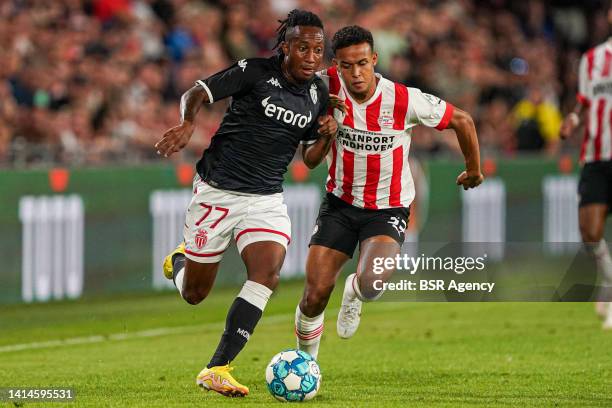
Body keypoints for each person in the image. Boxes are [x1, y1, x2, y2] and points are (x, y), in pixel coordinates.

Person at [154, 9, 337, 397]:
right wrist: (188, 123)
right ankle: (182, 262)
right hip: (218, 191)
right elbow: (196, 93)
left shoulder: (319, 93)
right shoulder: (254, 72)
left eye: (318, 50)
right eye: (302, 47)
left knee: (267, 274)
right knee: (194, 295)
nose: (310, 57)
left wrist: (327, 134)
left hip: (266, 198)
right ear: (284, 47)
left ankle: (217, 367)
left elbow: (310, 158)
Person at [293, 25, 483, 359]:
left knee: (371, 284)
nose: (356, 73)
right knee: (314, 295)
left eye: (363, 63)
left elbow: (463, 121)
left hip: (388, 210)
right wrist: (325, 134)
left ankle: (354, 292)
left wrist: (474, 169)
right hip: (339, 204)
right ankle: (306, 363)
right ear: (335, 65)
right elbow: (309, 161)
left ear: (374, 60)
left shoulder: (404, 98)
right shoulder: (321, 89)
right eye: (347, 66)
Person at [560, 2, 612, 329]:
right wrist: (573, 119)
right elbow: (583, 101)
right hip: (595, 157)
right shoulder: (591, 60)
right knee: (590, 232)